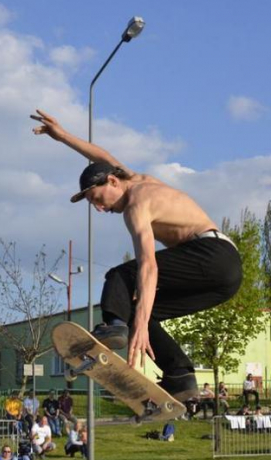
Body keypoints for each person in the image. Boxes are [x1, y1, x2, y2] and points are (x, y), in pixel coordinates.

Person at [31, 110, 243, 404]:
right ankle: (179, 377)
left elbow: (148, 266)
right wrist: (63, 136)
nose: (100, 210)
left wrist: (136, 328)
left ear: (112, 183)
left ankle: (114, 326)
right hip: (225, 277)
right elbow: (101, 156)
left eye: (98, 200)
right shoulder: (135, 179)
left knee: (120, 276)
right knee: (141, 310)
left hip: (211, 255)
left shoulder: (137, 206)